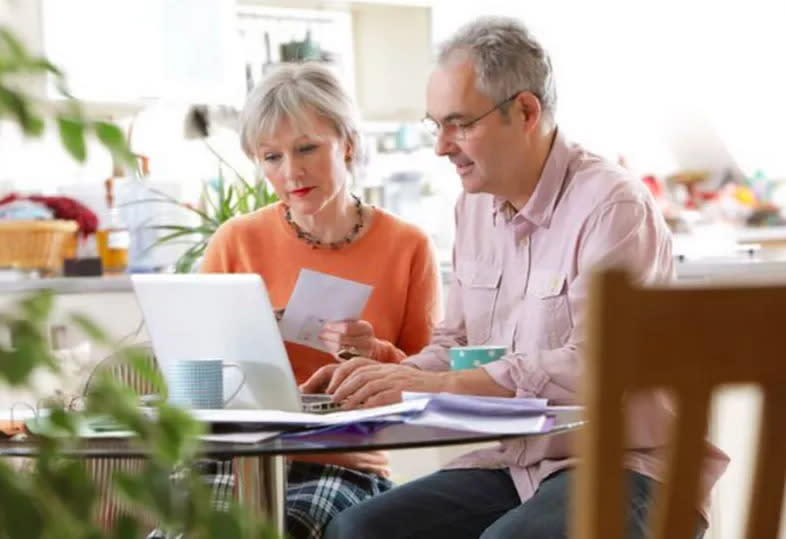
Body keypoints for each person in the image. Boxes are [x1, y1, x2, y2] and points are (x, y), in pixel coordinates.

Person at [305, 16, 729, 539]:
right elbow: (457, 344)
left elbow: (597, 365)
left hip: (629, 462)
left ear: (525, 111)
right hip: (519, 463)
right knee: (359, 530)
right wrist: (387, 380)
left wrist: (435, 383)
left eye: (459, 123)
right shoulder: (473, 209)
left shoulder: (611, 206)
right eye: (434, 124)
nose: (441, 145)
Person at [200, 62, 443, 539]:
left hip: (346, 465)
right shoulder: (236, 241)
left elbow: (431, 387)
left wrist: (373, 354)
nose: (291, 172)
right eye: (272, 157)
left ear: (348, 144)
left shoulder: (407, 246)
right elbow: (194, 375)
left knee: (287, 528)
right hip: (236, 459)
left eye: (307, 148)